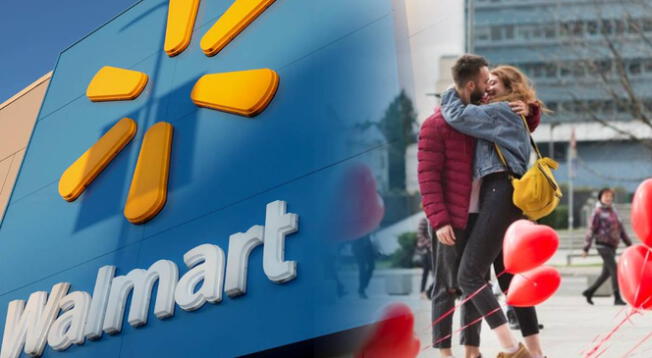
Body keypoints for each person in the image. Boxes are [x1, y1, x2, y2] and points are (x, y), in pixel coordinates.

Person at [418, 55, 541, 358]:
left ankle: (498, 351)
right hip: (467, 211)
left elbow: (464, 115)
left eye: (493, 82)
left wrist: (530, 108)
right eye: (486, 81)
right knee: (460, 285)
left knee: (472, 279)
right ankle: (529, 354)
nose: (488, 87)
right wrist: (439, 219)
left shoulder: (492, 114)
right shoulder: (451, 121)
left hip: (493, 200)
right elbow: (428, 175)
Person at [582, 188, 633, 305]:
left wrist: (629, 245)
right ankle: (617, 298)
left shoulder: (614, 212)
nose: (608, 198)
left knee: (606, 273)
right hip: (602, 245)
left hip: (612, 246)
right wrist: (586, 248)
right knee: (615, 270)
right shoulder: (597, 212)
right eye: (606, 196)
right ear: (600, 198)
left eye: (610, 196)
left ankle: (590, 292)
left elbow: (621, 230)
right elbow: (591, 230)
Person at [351, 234, 376, 299]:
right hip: (358, 246)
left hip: (368, 246)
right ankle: (361, 290)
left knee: (372, 266)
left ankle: (364, 285)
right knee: (362, 268)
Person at [416, 217, 434, 299]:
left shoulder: (431, 219)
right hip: (426, 251)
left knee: (432, 272)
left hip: (431, 251)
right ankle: (423, 292)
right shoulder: (424, 220)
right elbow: (420, 235)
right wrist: (430, 245)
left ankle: (429, 292)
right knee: (426, 272)